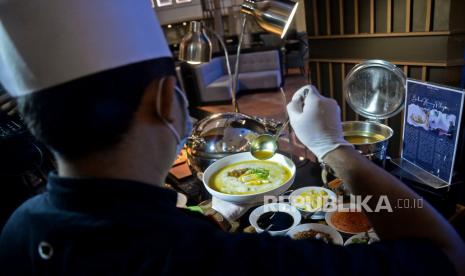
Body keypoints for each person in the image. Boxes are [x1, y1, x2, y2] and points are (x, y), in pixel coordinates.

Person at [0, 1, 464, 275]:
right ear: (167, 100)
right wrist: (332, 146)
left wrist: (218, 213)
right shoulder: (224, 262)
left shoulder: (17, 231)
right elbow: (445, 256)